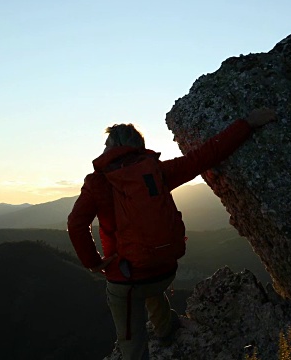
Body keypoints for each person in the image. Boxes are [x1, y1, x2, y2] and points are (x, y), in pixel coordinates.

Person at [67, 108, 277, 360]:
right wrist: (247, 123)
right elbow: (206, 155)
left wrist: (94, 263)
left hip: (127, 282)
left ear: (111, 149)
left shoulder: (97, 183)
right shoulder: (158, 173)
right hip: (164, 272)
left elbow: (76, 224)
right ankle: (165, 327)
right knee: (147, 272)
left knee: (130, 338)